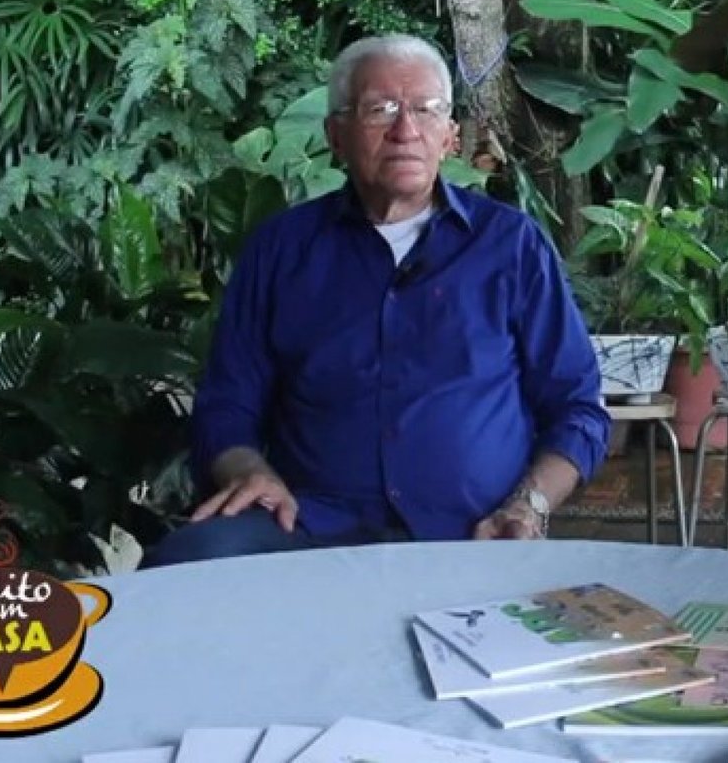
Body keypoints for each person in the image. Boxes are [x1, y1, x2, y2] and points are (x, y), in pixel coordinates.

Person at [142, 35, 611, 568]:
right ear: (335, 136)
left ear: (450, 136)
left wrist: (527, 506)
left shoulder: (511, 245)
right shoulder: (282, 250)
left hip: (474, 532)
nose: (405, 131)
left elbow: (578, 408)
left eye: (426, 110)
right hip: (309, 526)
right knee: (179, 566)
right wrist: (249, 471)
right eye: (380, 109)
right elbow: (227, 404)